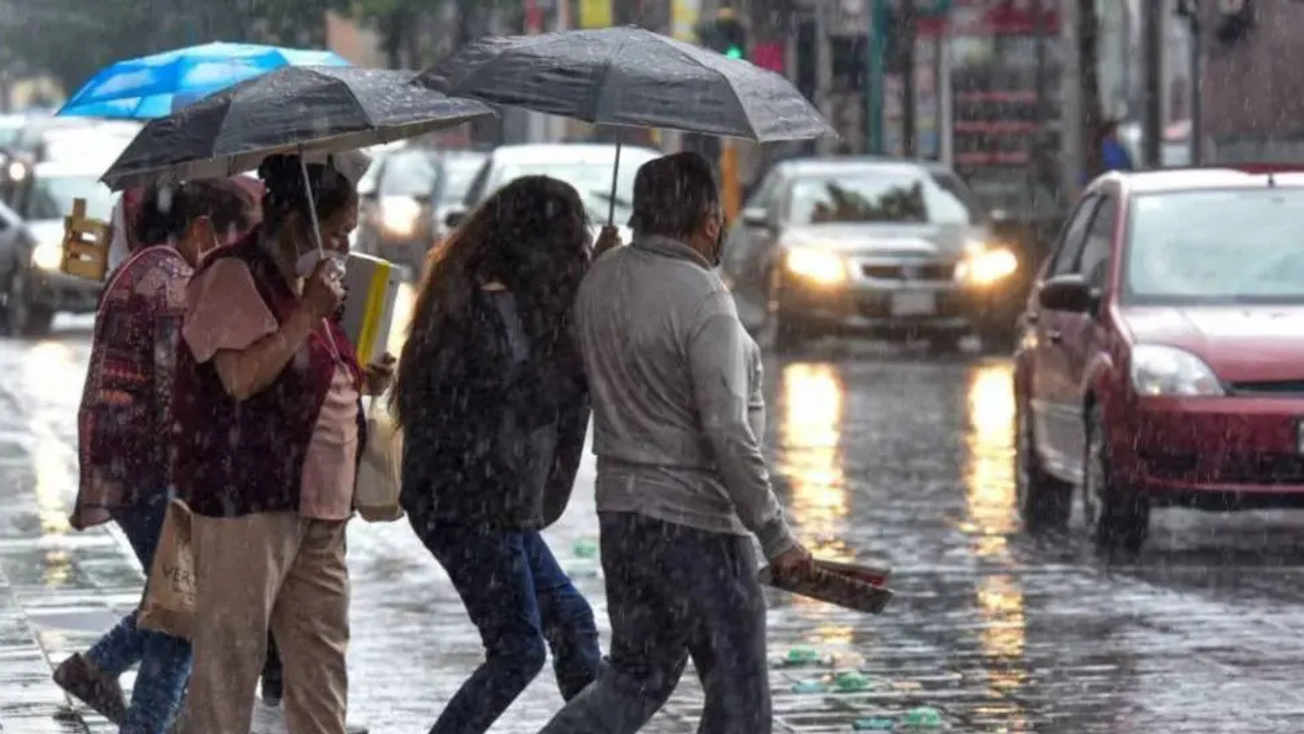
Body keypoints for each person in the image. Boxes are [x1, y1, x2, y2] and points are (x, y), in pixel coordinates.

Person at [537, 152, 812, 734]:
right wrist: (776, 536)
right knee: (739, 696)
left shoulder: (599, 281)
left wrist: (605, 263)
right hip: (700, 527)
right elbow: (728, 431)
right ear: (709, 219)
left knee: (635, 677)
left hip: (623, 517)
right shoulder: (704, 298)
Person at [174, 153, 393, 734]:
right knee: (230, 663)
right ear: (300, 221)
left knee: (321, 663)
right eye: (339, 231)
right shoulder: (232, 275)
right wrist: (307, 315)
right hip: (249, 498)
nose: (344, 245)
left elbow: (306, 374)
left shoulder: (310, 283)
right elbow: (242, 379)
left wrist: (361, 376)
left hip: (319, 504)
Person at [394, 175, 602, 734]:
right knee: (518, 649)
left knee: (574, 625)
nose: (578, 249)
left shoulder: (505, 298)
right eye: (572, 240)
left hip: (491, 501)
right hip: (467, 505)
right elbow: (529, 398)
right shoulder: (486, 309)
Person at [56, 178, 260, 734]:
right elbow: (177, 392)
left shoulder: (145, 265)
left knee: (176, 598)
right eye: (229, 241)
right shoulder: (171, 283)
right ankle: (137, 714)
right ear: (201, 230)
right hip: (151, 466)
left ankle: (98, 669)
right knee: (183, 608)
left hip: (128, 462)